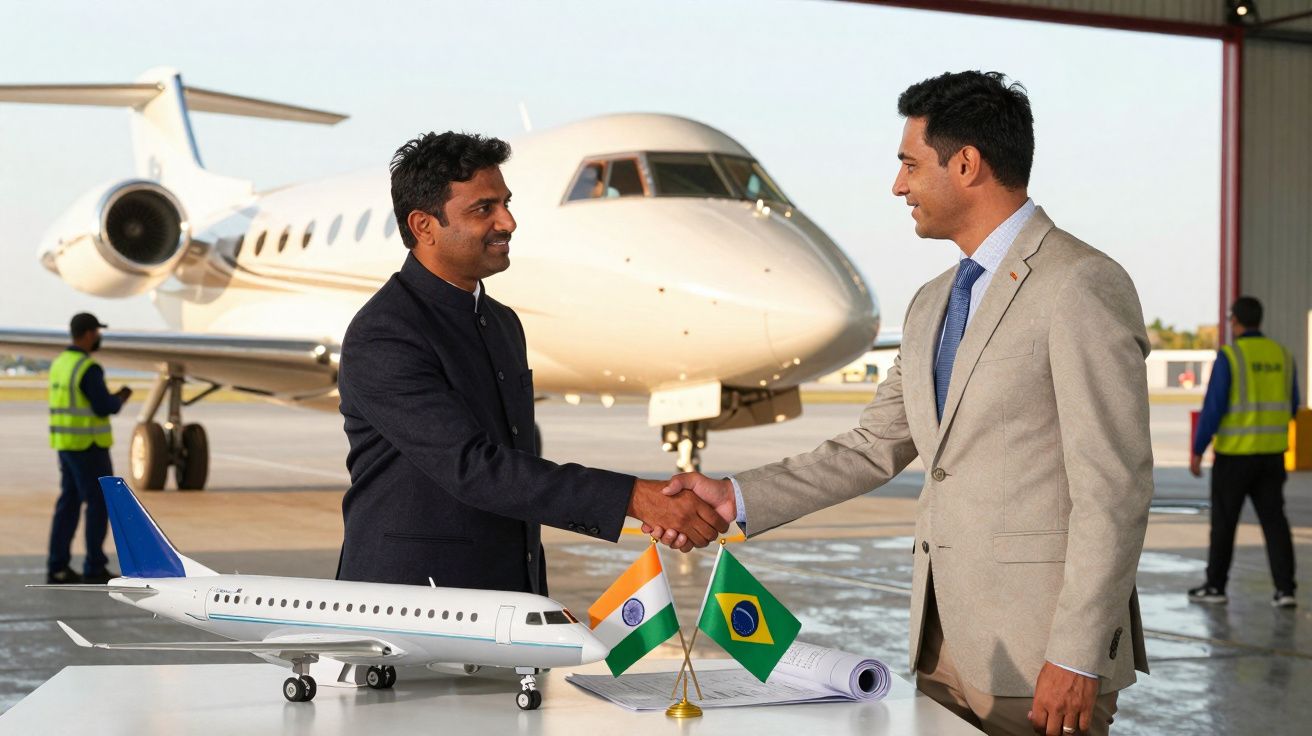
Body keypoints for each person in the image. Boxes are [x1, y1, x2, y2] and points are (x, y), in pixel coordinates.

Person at [651, 71, 1153, 736]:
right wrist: (734, 498)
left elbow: (1114, 488)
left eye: (910, 164)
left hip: (1041, 655)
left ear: (966, 164)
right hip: (942, 646)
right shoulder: (932, 301)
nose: (898, 186)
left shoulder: (1080, 283)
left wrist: (1077, 654)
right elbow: (872, 445)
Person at [335, 131, 725, 594]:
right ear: (424, 226)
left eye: (506, 203)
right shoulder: (386, 332)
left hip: (506, 597)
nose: (508, 222)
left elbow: (513, 460)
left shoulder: (501, 322)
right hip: (413, 602)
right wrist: (635, 498)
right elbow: (474, 468)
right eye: (484, 209)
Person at [1188, 296, 1299, 608]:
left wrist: (1198, 449)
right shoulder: (1282, 355)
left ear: (1235, 320)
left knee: (1224, 524)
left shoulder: (1231, 356)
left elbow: (1213, 408)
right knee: (1275, 523)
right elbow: (1292, 405)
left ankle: (1216, 586)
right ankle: (1285, 590)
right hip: (1272, 456)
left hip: (1234, 458)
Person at [47, 312, 131, 584]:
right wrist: (120, 398)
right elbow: (104, 406)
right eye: (97, 332)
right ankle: (94, 566)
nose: (98, 337)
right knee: (97, 505)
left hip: (66, 445)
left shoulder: (60, 363)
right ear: (88, 334)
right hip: (89, 446)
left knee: (68, 504)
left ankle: (57, 566)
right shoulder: (87, 368)